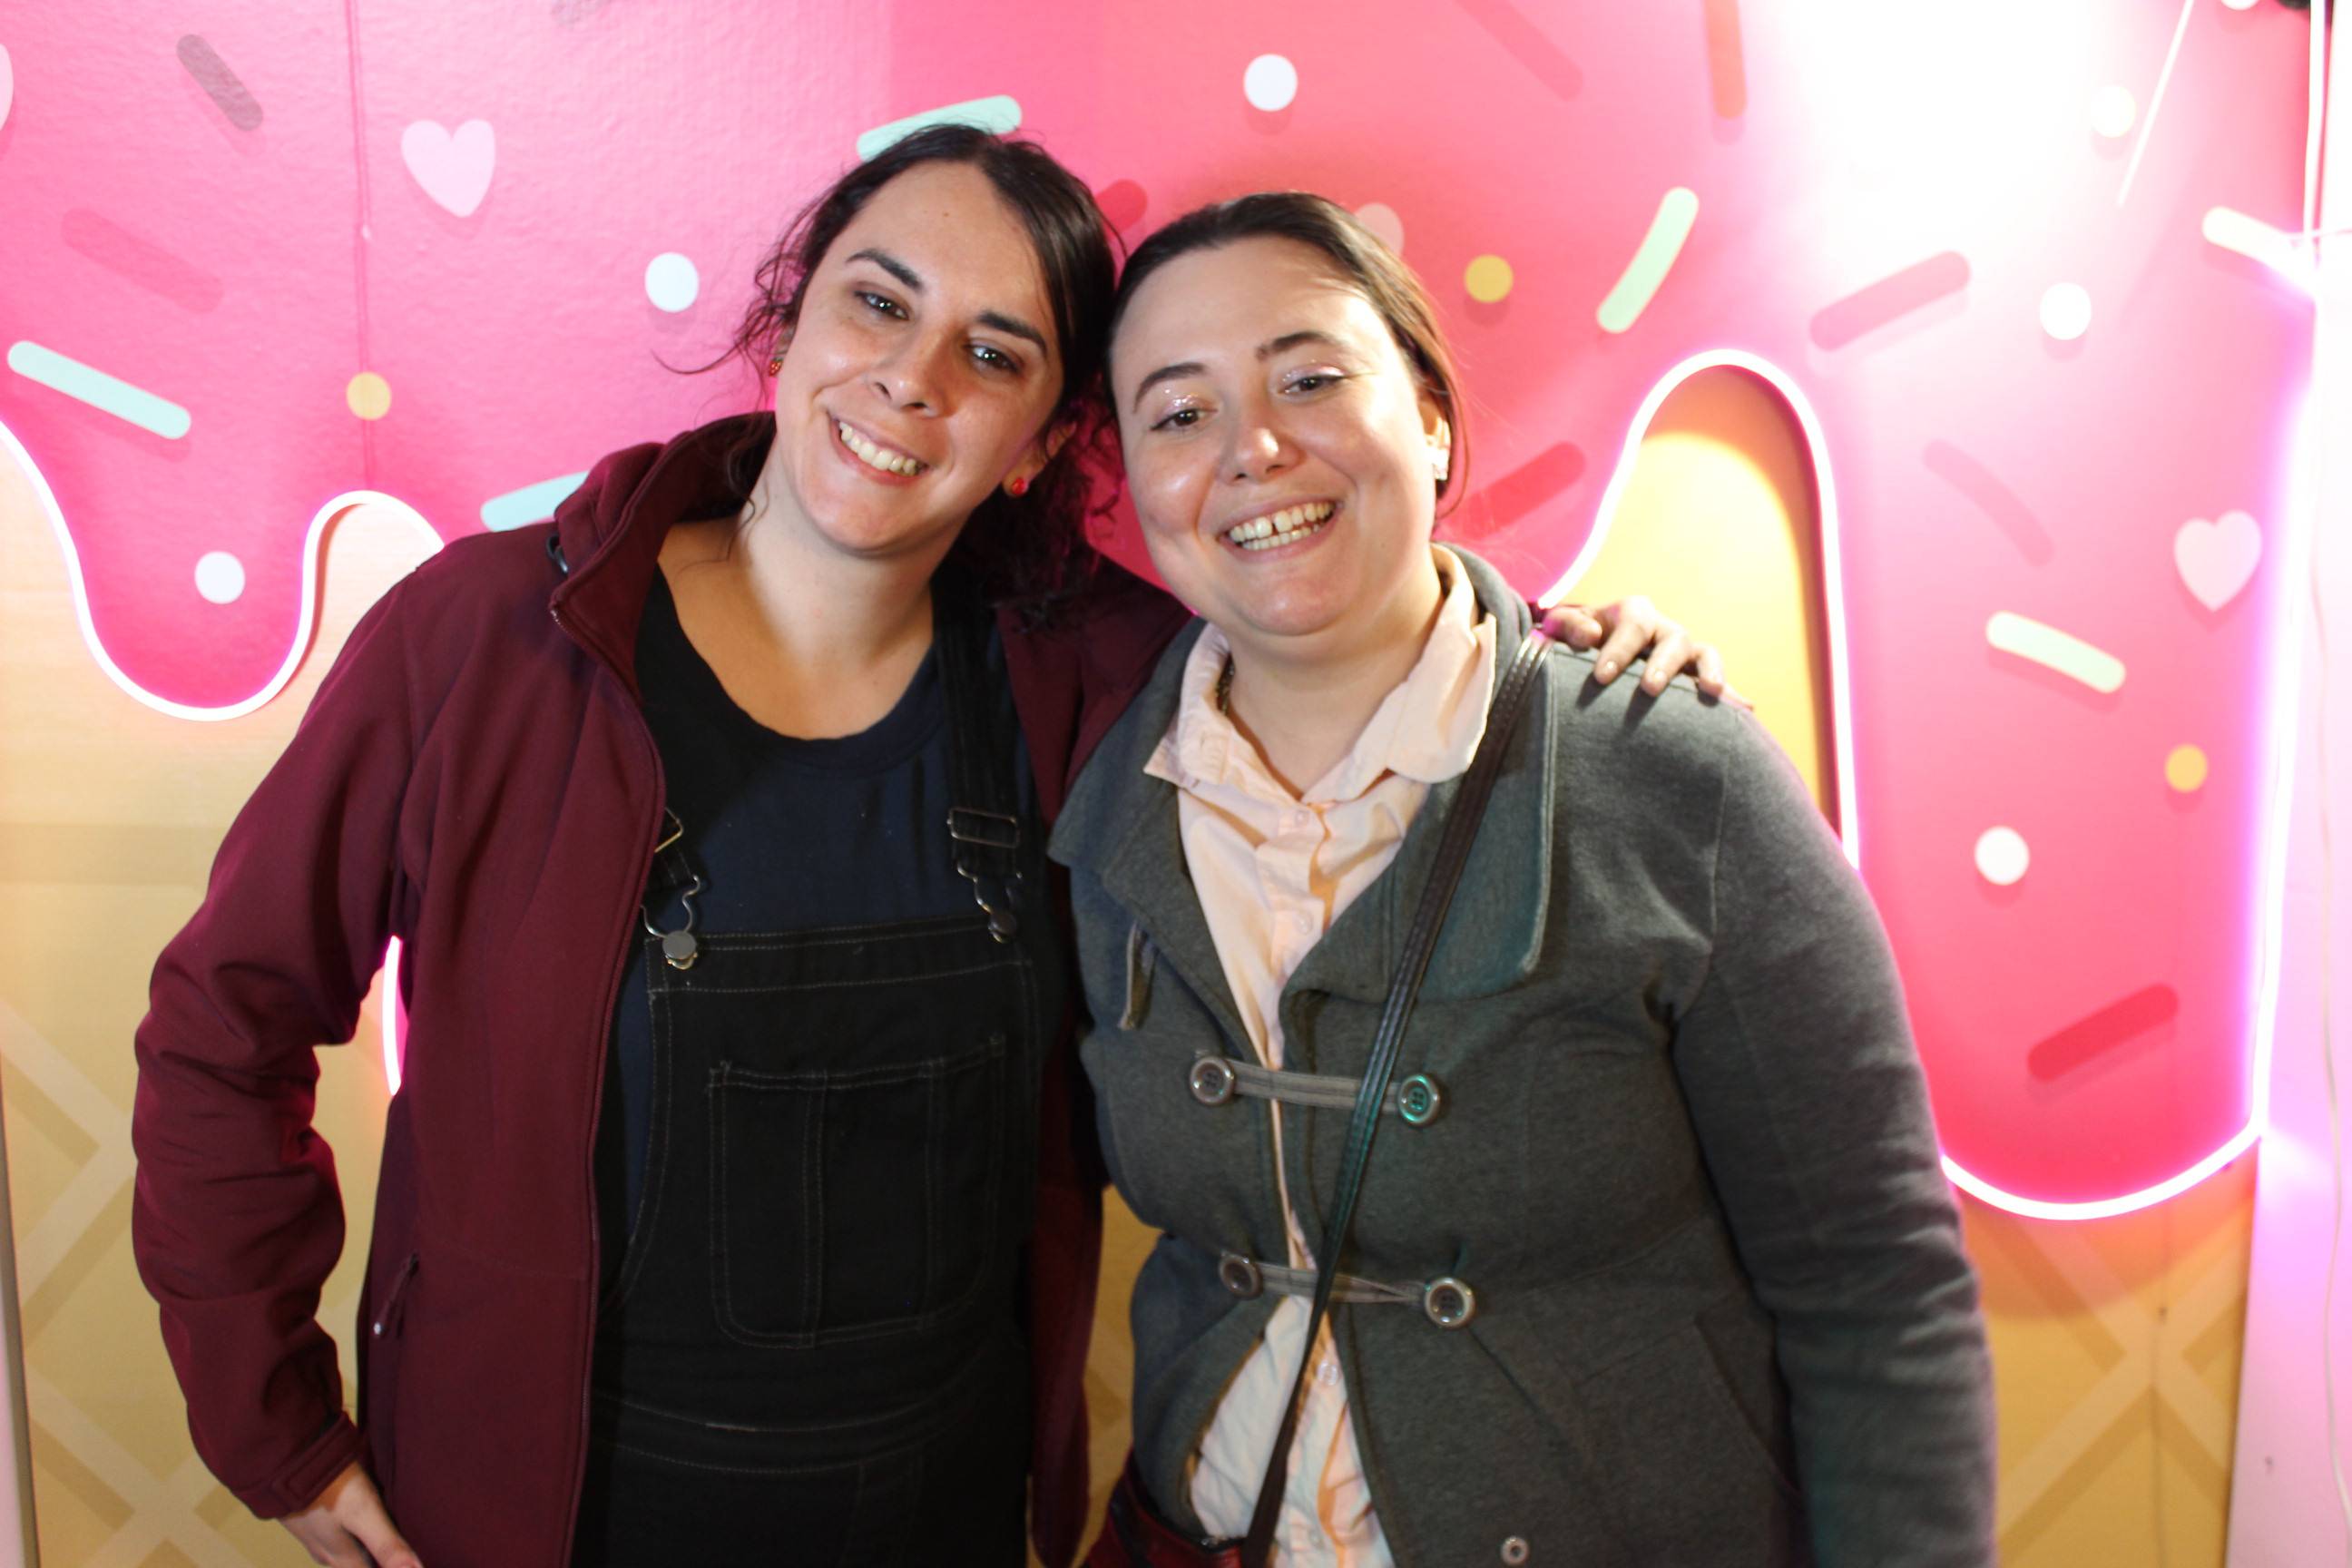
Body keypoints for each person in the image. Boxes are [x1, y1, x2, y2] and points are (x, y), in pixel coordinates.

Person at [129, 132, 1720, 1568]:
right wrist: (273, 1423)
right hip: (539, 1515)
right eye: (877, 305)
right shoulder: (487, 645)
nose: (911, 380)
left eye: (993, 352)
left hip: (940, 1513)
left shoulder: (1099, 681)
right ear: (787, 325)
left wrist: (1559, 665)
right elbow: (225, 1022)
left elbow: (1340, 636)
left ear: (1040, 440)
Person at [1058, 191, 1997, 1568]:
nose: (1252, 449)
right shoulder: (1092, 796)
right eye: (1180, 413)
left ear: (1432, 418)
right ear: (1131, 482)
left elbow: (1876, 1282)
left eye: (1309, 380)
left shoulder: (1665, 769)